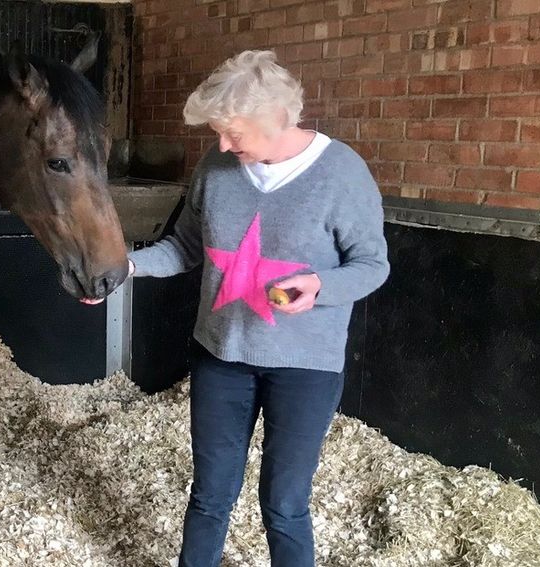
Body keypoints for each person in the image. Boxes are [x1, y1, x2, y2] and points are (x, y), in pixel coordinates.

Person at [127, 50, 389, 567]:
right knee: (209, 496)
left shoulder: (340, 173)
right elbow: (185, 247)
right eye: (219, 133)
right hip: (221, 356)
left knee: (285, 505)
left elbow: (372, 265)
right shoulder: (216, 167)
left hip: (305, 367)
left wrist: (320, 285)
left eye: (233, 133)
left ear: (275, 118)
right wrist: (126, 266)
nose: (223, 145)